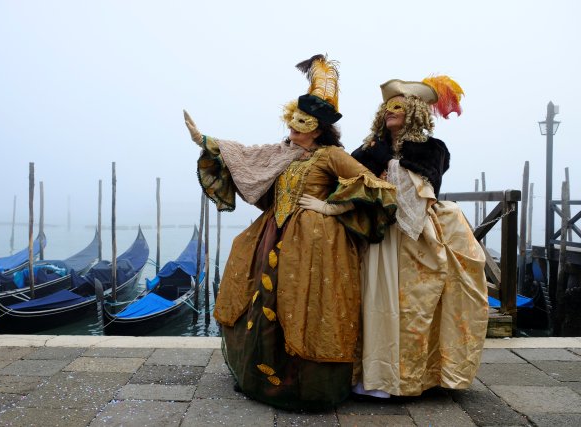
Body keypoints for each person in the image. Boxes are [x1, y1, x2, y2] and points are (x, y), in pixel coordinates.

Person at [183, 54, 397, 410]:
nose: (292, 131)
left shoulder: (331, 156)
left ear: (316, 129)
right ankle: (262, 380)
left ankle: (303, 386)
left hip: (315, 244)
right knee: (263, 301)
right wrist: (203, 139)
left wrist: (332, 207)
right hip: (273, 233)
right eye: (292, 125)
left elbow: (378, 188)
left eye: (300, 127)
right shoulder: (284, 152)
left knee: (303, 306)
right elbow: (245, 155)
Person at [328, 76, 488, 397]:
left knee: (412, 306)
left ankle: (404, 378)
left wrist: (387, 171)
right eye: (387, 107)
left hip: (414, 236)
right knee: (372, 301)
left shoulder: (432, 149)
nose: (390, 111)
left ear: (413, 109)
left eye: (397, 106)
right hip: (377, 234)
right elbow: (345, 175)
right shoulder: (371, 147)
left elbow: (419, 190)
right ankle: (369, 375)